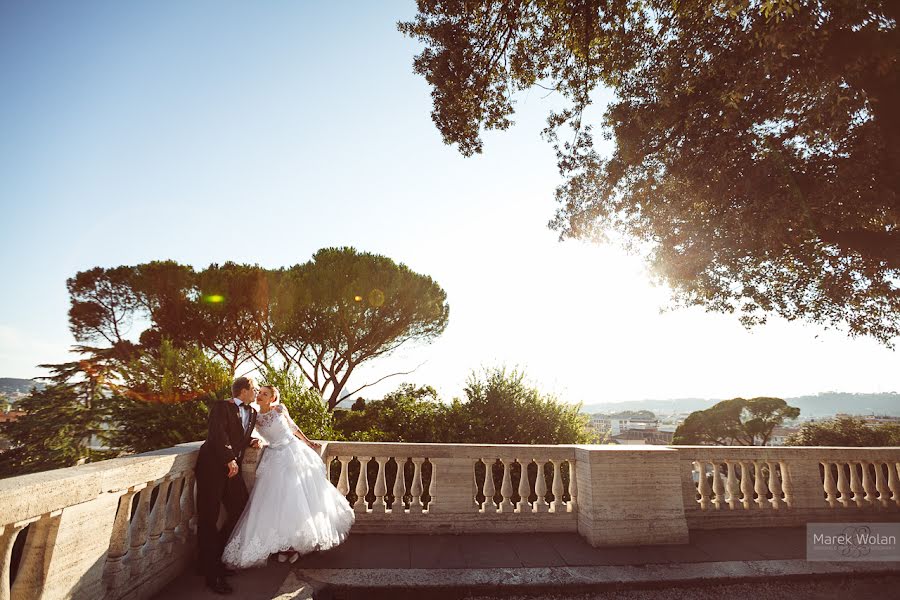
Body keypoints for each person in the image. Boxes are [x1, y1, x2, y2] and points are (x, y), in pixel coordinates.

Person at [222, 384, 354, 568]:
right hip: (274, 458)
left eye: (264, 394)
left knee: (297, 501)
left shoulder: (280, 409)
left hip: (294, 453)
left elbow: (293, 427)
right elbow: (244, 433)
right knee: (275, 503)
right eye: (259, 393)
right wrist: (254, 440)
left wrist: (307, 442)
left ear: (272, 398)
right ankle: (282, 547)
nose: (259, 395)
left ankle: (295, 546)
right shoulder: (255, 416)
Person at [195, 376, 261, 595]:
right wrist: (229, 458)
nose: (256, 392)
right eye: (254, 389)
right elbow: (218, 434)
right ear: (243, 390)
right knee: (208, 517)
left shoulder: (252, 413)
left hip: (232, 470)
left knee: (240, 508)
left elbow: (240, 435)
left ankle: (214, 557)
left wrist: (251, 441)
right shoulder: (222, 407)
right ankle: (212, 574)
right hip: (212, 467)